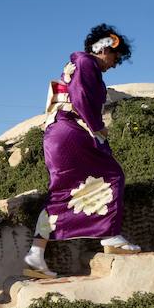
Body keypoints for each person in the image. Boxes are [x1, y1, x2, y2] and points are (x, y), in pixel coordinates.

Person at [23, 24, 141, 279]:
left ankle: (35, 254)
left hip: (57, 135)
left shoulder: (77, 65)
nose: (115, 63)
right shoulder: (87, 63)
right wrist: (98, 127)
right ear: (104, 48)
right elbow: (80, 97)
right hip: (71, 132)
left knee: (61, 193)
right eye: (115, 57)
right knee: (112, 175)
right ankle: (110, 236)